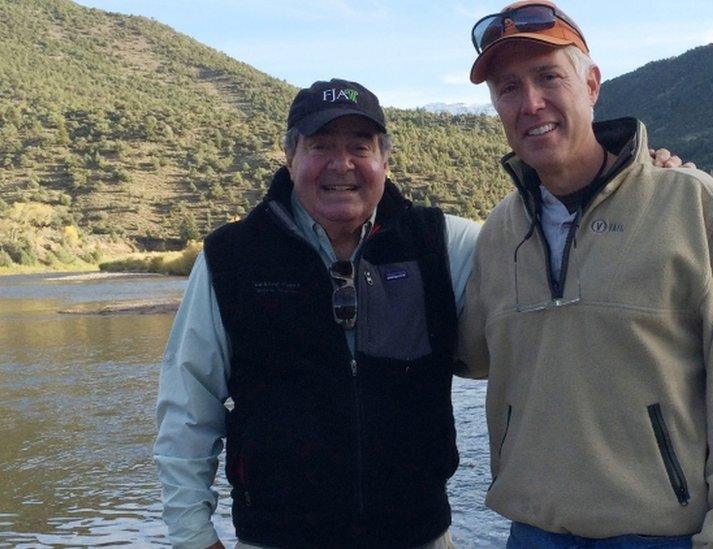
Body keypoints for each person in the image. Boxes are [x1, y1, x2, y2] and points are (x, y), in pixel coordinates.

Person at [457, 2, 713, 548]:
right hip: (534, 533)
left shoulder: (693, 206)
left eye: (548, 77)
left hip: (662, 535)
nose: (530, 102)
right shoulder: (498, 233)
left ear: (591, 85)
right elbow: (469, 353)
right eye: (508, 88)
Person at [153, 79, 480, 548]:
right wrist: (191, 533)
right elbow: (187, 402)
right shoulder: (231, 256)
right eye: (321, 145)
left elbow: (531, 252)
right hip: (277, 537)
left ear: (385, 159)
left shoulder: (443, 244)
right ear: (291, 157)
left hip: (418, 535)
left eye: (359, 147)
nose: (340, 164)